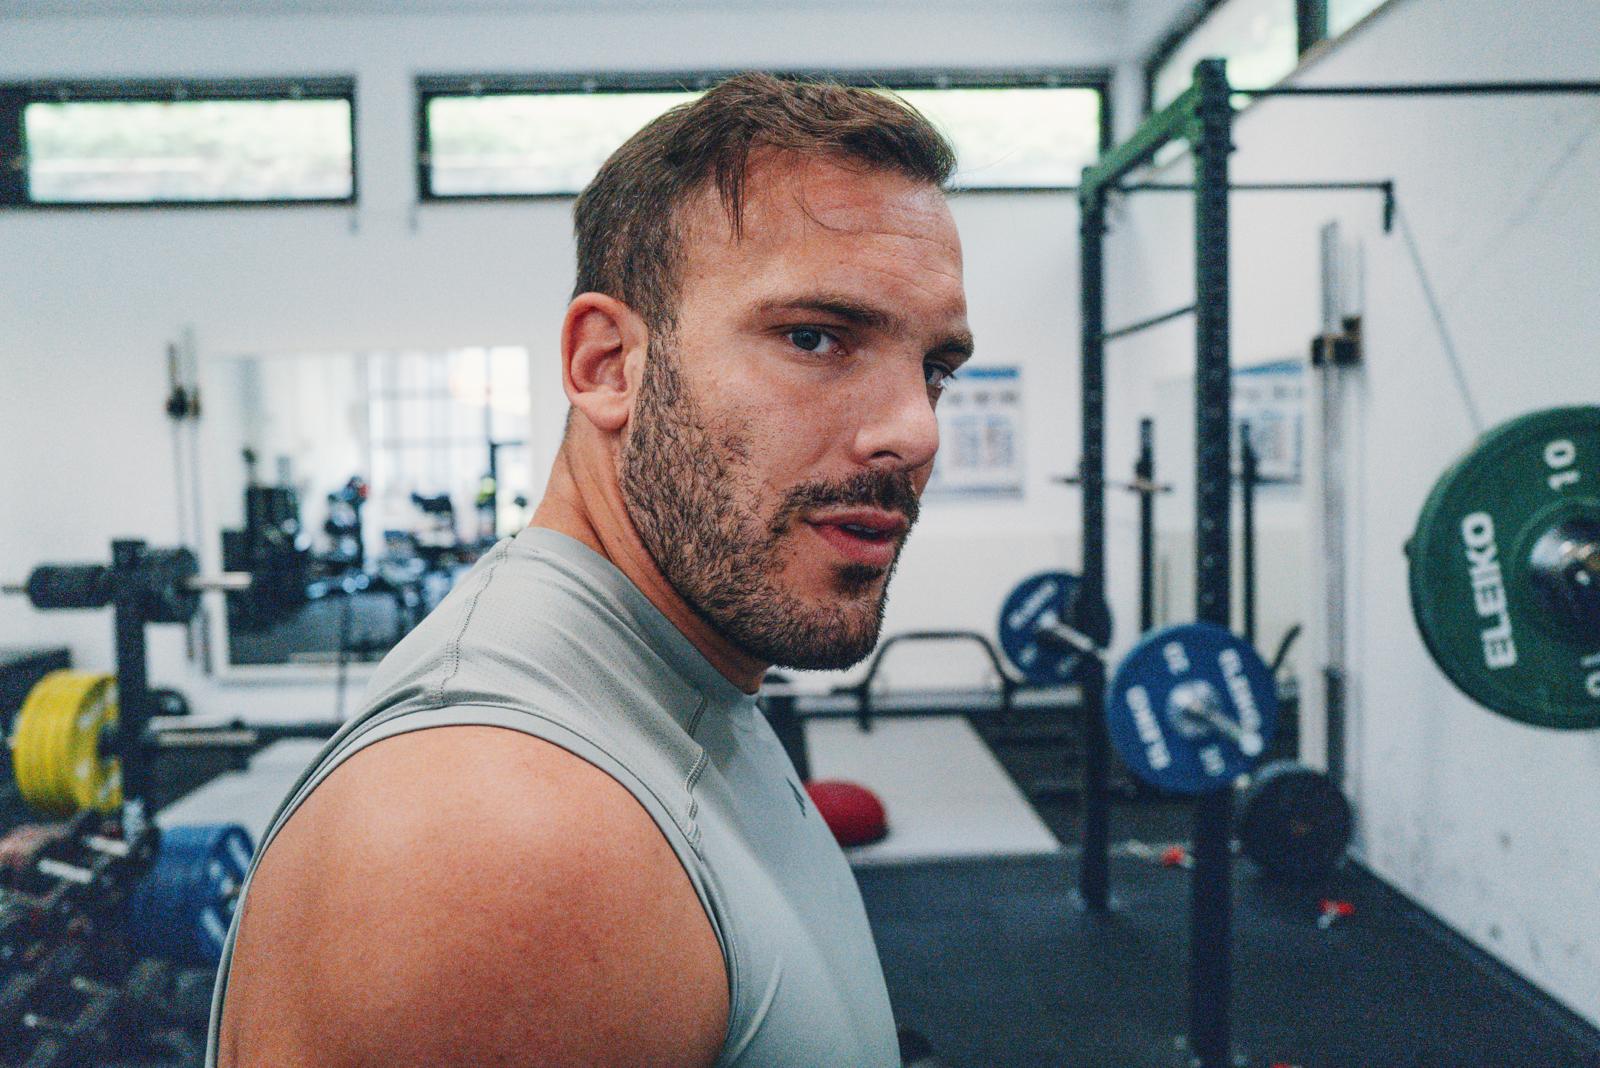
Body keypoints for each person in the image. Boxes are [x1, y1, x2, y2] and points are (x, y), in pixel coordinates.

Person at [209, 72, 973, 1068]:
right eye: (815, 338)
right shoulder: (499, 839)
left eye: (934, 369)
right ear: (608, 365)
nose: (915, 431)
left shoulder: (681, 679)